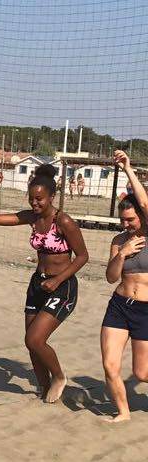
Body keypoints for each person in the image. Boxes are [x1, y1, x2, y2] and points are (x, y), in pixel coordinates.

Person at [0, 164, 89, 402]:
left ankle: (59, 376)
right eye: (31, 199)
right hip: (37, 285)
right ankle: (43, 389)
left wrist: (58, 280)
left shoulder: (64, 221)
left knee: (34, 339)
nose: (35, 203)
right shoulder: (31, 217)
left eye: (40, 199)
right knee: (31, 344)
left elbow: (83, 256)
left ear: (51, 197)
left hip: (62, 286)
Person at [101, 150, 148, 422]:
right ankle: (123, 412)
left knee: (142, 373)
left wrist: (128, 169)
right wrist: (122, 253)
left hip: (145, 310)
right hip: (119, 306)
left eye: (130, 219)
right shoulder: (119, 241)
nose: (125, 224)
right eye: (122, 220)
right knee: (110, 365)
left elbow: (143, 200)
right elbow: (110, 277)